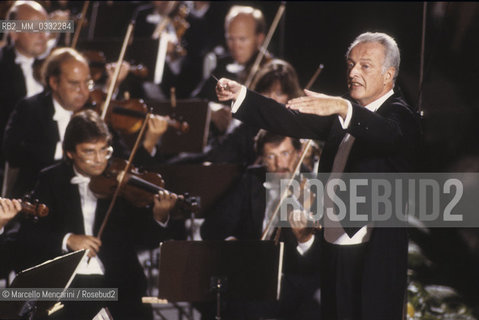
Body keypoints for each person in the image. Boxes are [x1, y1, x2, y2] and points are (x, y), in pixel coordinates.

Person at [216, 32, 422, 320]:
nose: (353, 72)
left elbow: (387, 135)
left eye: (365, 65)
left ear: (389, 75)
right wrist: (243, 96)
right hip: (333, 244)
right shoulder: (344, 114)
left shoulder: (401, 116)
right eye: (350, 64)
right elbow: (287, 118)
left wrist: (343, 107)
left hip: (373, 255)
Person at [16, 110, 177, 320]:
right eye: (89, 152)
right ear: (70, 153)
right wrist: (68, 240)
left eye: (105, 150)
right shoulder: (51, 180)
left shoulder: (121, 181)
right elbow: (28, 236)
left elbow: (144, 237)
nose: (100, 160)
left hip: (118, 281)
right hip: (70, 284)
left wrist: (159, 215)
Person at [3, 47, 168, 197]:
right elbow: (12, 152)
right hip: (42, 196)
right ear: (54, 82)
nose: (83, 92)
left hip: (89, 196)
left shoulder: (95, 112)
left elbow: (123, 161)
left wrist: (148, 143)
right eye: (74, 83)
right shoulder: (31, 108)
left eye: (87, 83)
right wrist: (67, 150)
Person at [201, 130, 321, 319]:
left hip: (294, 277)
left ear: (299, 153)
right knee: (212, 301)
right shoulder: (251, 179)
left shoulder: (316, 187)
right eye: (270, 156)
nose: (279, 164)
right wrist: (229, 241)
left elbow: (321, 258)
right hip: (250, 274)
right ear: (262, 159)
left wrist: (305, 240)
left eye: (285, 153)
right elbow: (211, 227)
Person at [194, 5, 267, 138]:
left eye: (242, 39)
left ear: (259, 38)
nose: (236, 46)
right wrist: (211, 109)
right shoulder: (223, 64)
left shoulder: (270, 70)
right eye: (231, 39)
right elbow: (196, 100)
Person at [0, 1, 49, 186]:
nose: (43, 37)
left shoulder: (52, 67)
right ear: (14, 32)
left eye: (45, 29)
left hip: (47, 165)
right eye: (34, 29)